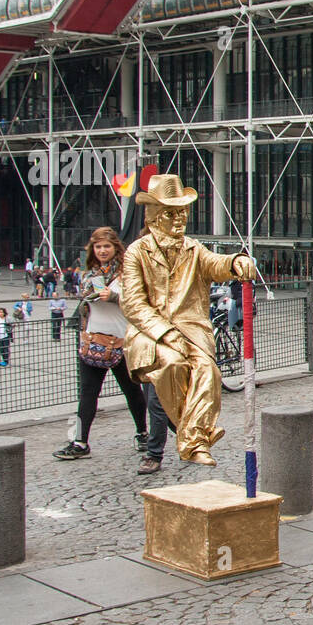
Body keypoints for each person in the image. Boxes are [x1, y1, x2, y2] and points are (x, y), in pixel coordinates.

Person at [119, 175, 256, 466]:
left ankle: (193, 439)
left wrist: (235, 262)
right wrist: (164, 332)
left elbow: (214, 263)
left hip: (191, 329)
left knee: (208, 370)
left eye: (183, 212)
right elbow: (132, 301)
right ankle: (193, 433)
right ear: (155, 217)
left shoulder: (193, 249)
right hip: (151, 333)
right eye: (171, 212)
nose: (179, 218)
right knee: (172, 364)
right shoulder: (136, 252)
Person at [53, 227, 149, 461]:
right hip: (94, 338)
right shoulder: (89, 273)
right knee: (87, 393)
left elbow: (140, 301)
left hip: (121, 340)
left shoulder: (128, 272)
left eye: (107, 246)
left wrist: (114, 297)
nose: (103, 251)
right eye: (98, 247)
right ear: (92, 250)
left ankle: (142, 433)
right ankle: (80, 441)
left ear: (115, 247)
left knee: (131, 390)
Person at [137, 382, 173, 475]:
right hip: (150, 368)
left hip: (164, 368)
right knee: (155, 403)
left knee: (155, 403)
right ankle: (189, 440)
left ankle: (154, 455)